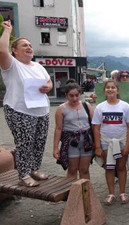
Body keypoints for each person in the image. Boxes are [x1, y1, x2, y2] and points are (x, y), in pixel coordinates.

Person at [0, 21, 53, 187]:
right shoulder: (12, 65)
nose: (29, 47)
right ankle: (23, 175)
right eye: (24, 45)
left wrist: (48, 87)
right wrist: (7, 30)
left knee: (39, 142)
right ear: (14, 50)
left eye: (30, 45)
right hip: (19, 110)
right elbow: (2, 50)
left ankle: (33, 169)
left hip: (41, 111)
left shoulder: (38, 66)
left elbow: (49, 81)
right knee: (25, 143)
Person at [92, 80, 129, 205]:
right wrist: (98, 146)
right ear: (104, 90)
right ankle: (111, 193)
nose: (110, 90)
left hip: (121, 141)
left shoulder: (125, 106)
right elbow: (96, 127)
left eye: (113, 87)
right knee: (109, 167)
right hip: (105, 142)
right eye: (108, 87)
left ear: (117, 90)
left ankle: (122, 192)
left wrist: (127, 145)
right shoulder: (100, 107)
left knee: (121, 167)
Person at [53, 81, 94, 179]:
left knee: (84, 169)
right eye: (71, 96)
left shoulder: (86, 106)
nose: (74, 98)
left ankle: (85, 193)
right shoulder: (61, 109)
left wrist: (98, 143)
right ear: (66, 95)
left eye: (77, 95)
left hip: (86, 141)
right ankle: (72, 193)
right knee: (72, 170)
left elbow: (94, 125)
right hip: (71, 141)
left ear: (80, 94)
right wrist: (55, 147)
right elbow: (58, 129)